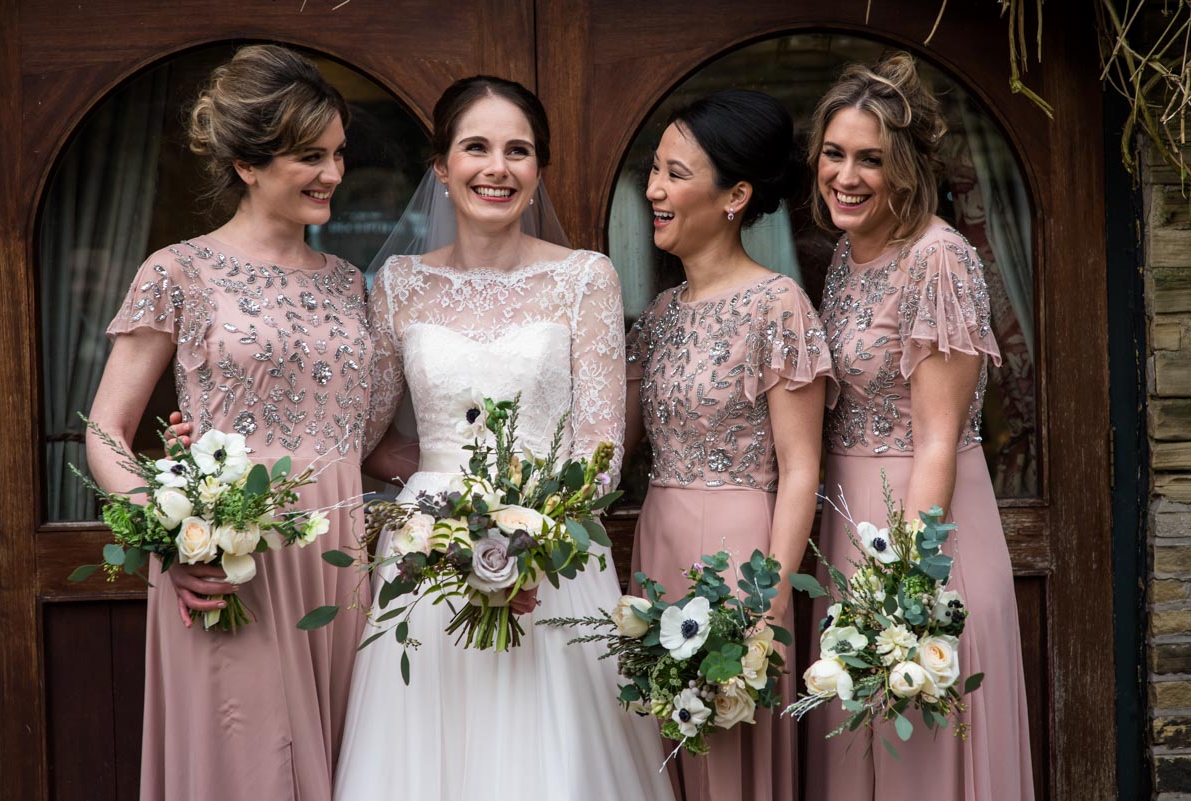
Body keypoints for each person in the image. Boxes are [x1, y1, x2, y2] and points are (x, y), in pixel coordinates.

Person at [332, 75, 675, 801]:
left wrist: (529, 531)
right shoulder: (397, 284)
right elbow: (365, 435)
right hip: (429, 557)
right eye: (477, 147)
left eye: (518, 150)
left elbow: (601, 449)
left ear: (538, 169)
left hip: (552, 551)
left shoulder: (586, 278)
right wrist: (439, 502)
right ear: (441, 167)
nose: (498, 166)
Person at [87, 45, 368, 800]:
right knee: (245, 765)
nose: (333, 174)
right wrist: (173, 537)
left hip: (340, 562)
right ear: (247, 163)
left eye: (339, 153)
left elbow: (371, 438)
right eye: (310, 156)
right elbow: (106, 428)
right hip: (231, 560)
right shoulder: (177, 272)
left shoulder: (352, 285)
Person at [802, 53, 1034, 800]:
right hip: (850, 524)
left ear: (906, 167)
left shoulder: (939, 259)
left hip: (923, 532)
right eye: (834, 154)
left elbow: (938, 437)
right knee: (861, 746)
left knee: (923, 755)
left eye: (870, 159)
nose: (846, 175)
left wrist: (904, 586)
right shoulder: (846, 254)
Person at [625, 90, 835, 801]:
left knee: (725, 754)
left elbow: (802, 466)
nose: (654, 189)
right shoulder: (657, 316)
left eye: (675, 173)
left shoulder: (778, 304)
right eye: (655, 170)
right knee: (661, 749)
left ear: (735, 195)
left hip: (738, 554)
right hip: (658, 543)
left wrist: (769, 603)